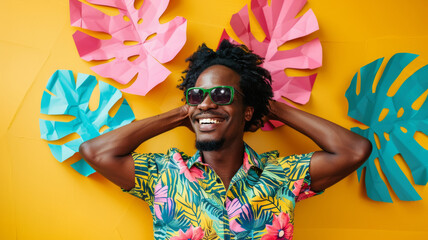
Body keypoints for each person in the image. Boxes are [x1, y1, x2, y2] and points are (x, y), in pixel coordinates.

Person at [79, 40, 372, 240]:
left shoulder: (282, 176)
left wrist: (268, 105)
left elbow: (354, 150)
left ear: (247, 112)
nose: (205, 104)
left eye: (221, 95)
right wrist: (184, 112)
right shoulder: (162, 175)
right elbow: (96, 151)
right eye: (196, 96)